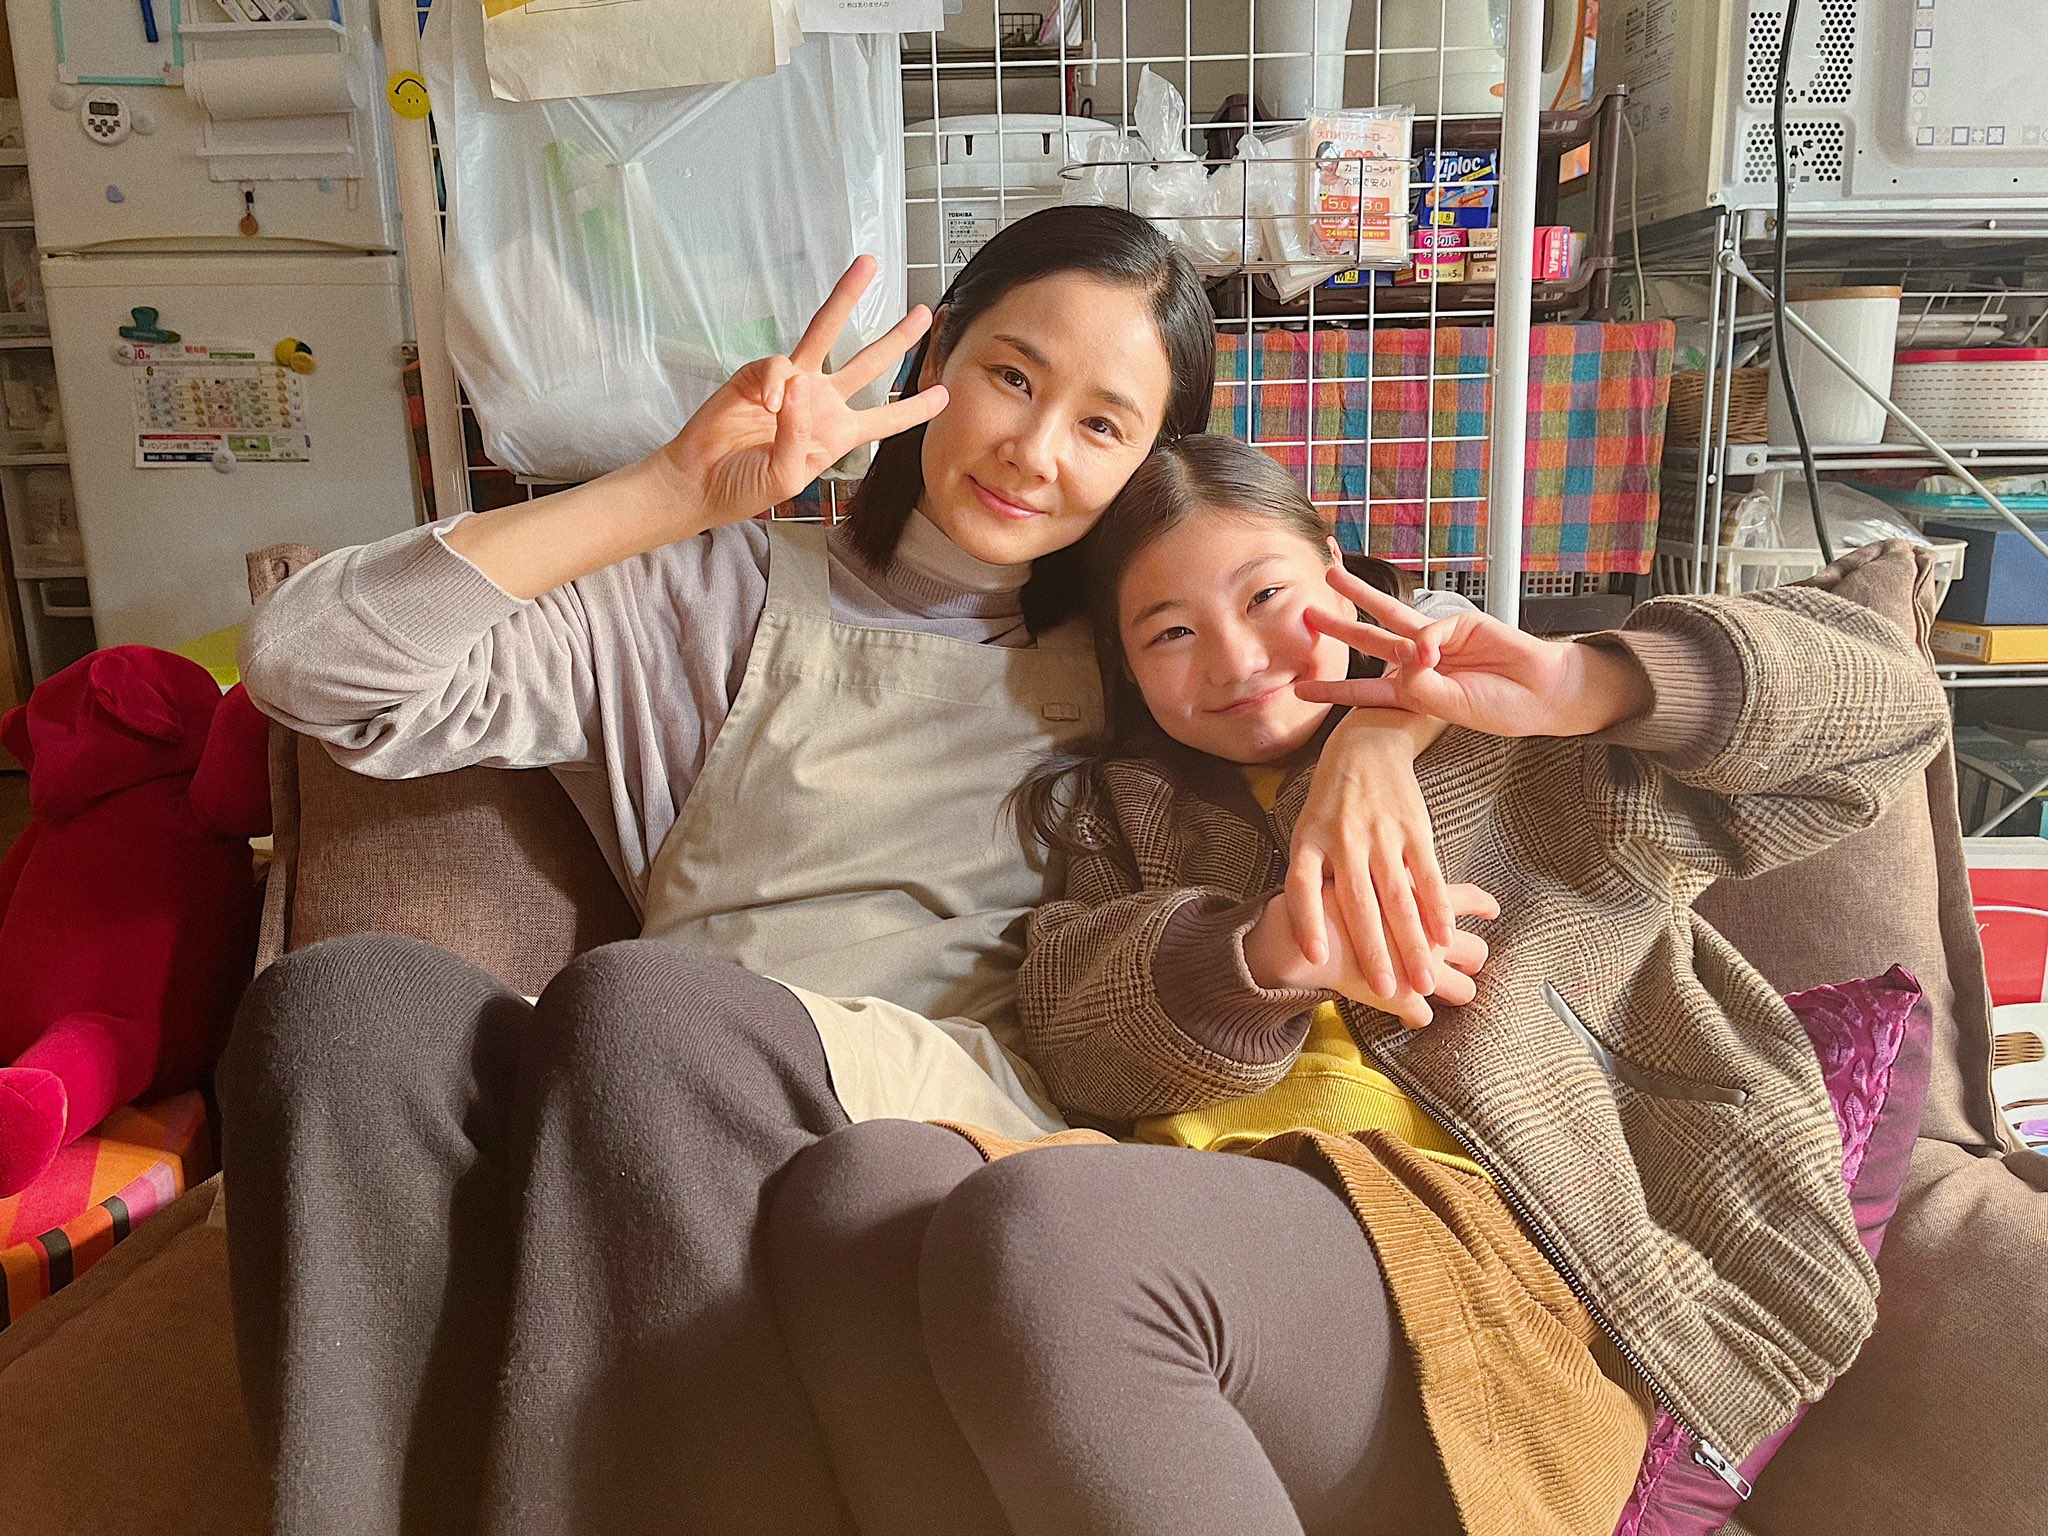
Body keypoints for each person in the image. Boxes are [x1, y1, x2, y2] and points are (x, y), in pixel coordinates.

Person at [218, 208, 1461, 1536]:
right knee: (340, 1008)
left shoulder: (1149, 649)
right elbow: (304, 667)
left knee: (642, 1007)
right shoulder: (711, 598)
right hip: (641, 1070)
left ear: (1148, 467)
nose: (1033, 450)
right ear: (936, 359)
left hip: (943, 1109)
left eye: (1102, 426)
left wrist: (1377, 740)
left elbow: (1412, 630)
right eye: (1012, 376)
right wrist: (664, 492)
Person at [762, 435, 1953, 1535]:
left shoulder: (1533, 758)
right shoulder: (1129, 814)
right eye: (1166, 634)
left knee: (1055, 1232)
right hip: (1205, 1247)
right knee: (852, 1196)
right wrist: (1264, 956)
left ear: (1338, 570)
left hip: (1507, 1290)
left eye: (1264, 597)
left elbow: (1890, 711)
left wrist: (1582, 684)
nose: (1235, 659)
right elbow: (1075, 1040)